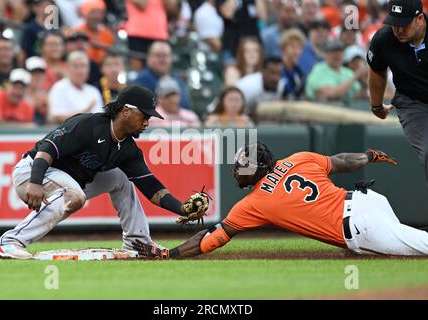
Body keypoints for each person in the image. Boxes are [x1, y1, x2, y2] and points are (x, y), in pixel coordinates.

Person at [0, 85, 201, 259]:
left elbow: (151, 187)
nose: (146, 122)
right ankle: (9, 243)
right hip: (32, 172)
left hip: (68, 180)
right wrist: (35, 182)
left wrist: (182, 209)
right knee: (74, 195)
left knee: (121, 178)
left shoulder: (128, 149)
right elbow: (47, 150)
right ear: (126, 110)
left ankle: (138, 242)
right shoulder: (89, 124)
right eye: (143, 115)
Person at [133, 142, 428, 259]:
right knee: (408, 239)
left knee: (418, 248)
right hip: (369, 199)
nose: (237, 170)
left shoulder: (254, 203)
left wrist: (169, 254)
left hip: (360, 226)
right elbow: (340, 161)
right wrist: (369, 156)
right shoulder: (297, 159)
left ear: (259, 169)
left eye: (243, 166)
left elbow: (210, 239)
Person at [367, 0, 428, 184]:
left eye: (404, 24)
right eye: (394, 23)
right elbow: (377, 70)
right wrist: (377, 106)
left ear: (419, 19)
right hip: (413, 102)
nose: (398, 30)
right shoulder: (384, 40)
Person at [48, 51, 104, 123]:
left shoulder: (94, 91)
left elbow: (100, 119)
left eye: (83, 66)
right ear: (67, 68)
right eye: (76, 66)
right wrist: (85, 112)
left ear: (88, 69)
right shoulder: (59, 88)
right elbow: (56, 117)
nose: (80, 71)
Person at [133, 41, 190, 109]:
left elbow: (185, 106)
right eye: (158, 55)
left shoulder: (178, 80)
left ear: (171, 58)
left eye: (166, 56)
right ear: (148, 58)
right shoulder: (139, 83)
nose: (162, 60)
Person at [305, 39, 364, 105]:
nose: (337, 55)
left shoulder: (348, 73)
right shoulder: (319, 69)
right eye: (333, 51)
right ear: (326, 54)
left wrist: (365, 81)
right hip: (320, 111)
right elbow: (330, 94)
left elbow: (359, 95)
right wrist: (356, 75)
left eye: (340, 51)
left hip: (345, 111)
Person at [73, 0, 115, 65]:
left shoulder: (107, 34)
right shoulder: (77, 32)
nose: (97, 16)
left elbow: (112, 54)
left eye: (100, 13)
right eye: (93, 13)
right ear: (85, 14)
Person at [279, 28, 306, 99]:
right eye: (292, 47)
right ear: (283, 48)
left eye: (299, 47)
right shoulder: (277, 69)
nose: (296, 51)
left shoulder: (299, 72)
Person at [24, 56, 49, 125]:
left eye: (41, 73)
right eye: (34, 73)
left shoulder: (47, 95)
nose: (38, 76)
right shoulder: (19, 93)